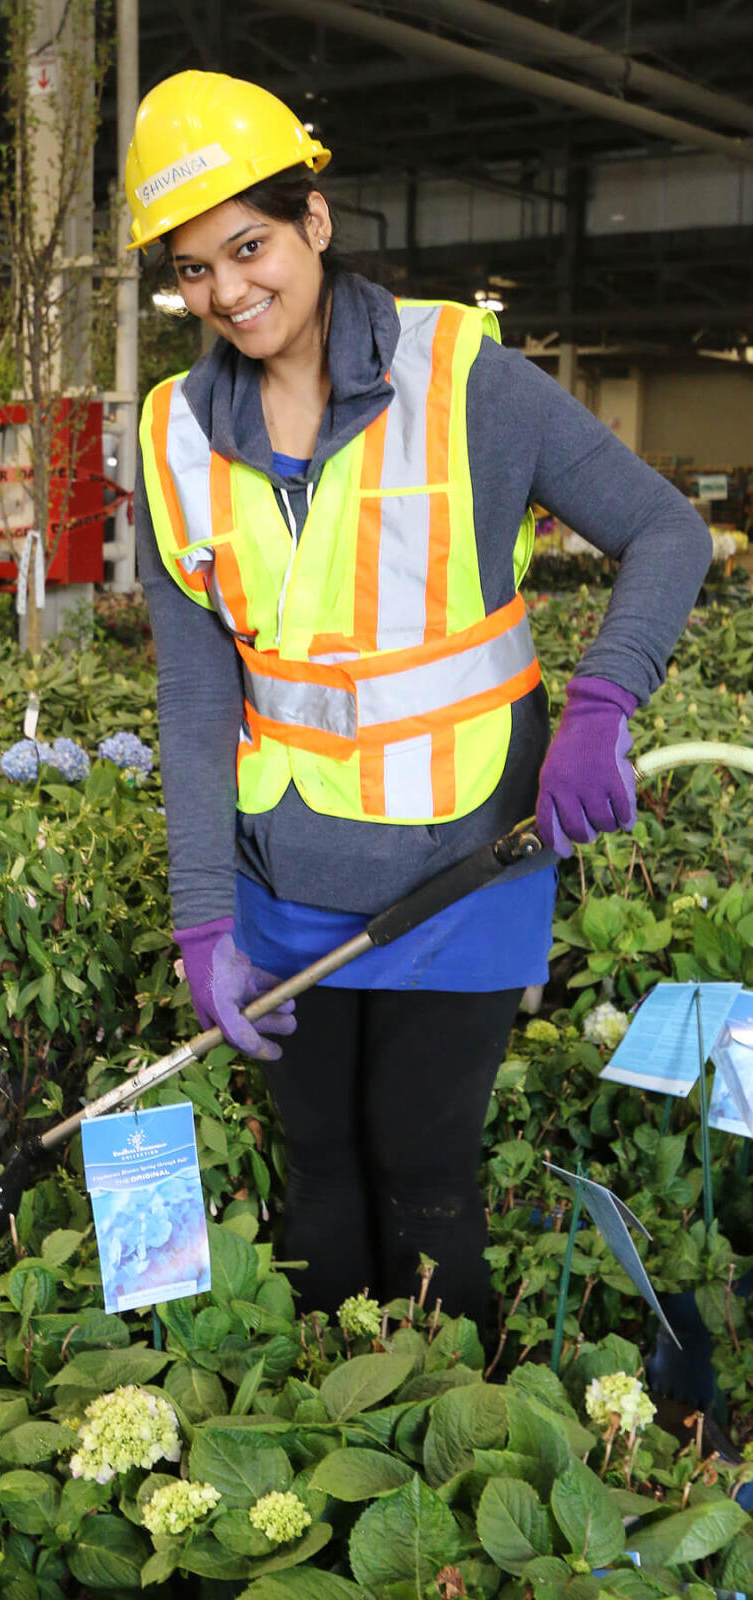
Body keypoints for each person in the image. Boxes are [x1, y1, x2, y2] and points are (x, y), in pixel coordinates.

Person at [125, 71, 712, 1329]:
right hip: (285, 886)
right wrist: (200, 917)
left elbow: (667, 532)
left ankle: (448, 1450)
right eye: (191, 269)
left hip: (461, 874)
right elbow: (190, 699)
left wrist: (602, 704)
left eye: (249, 245)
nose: (228, 291)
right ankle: (328, 1448)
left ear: (314, 223)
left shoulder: (458, 377)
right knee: (321, 1179)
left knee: (426, 1176)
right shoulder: (174, 434)